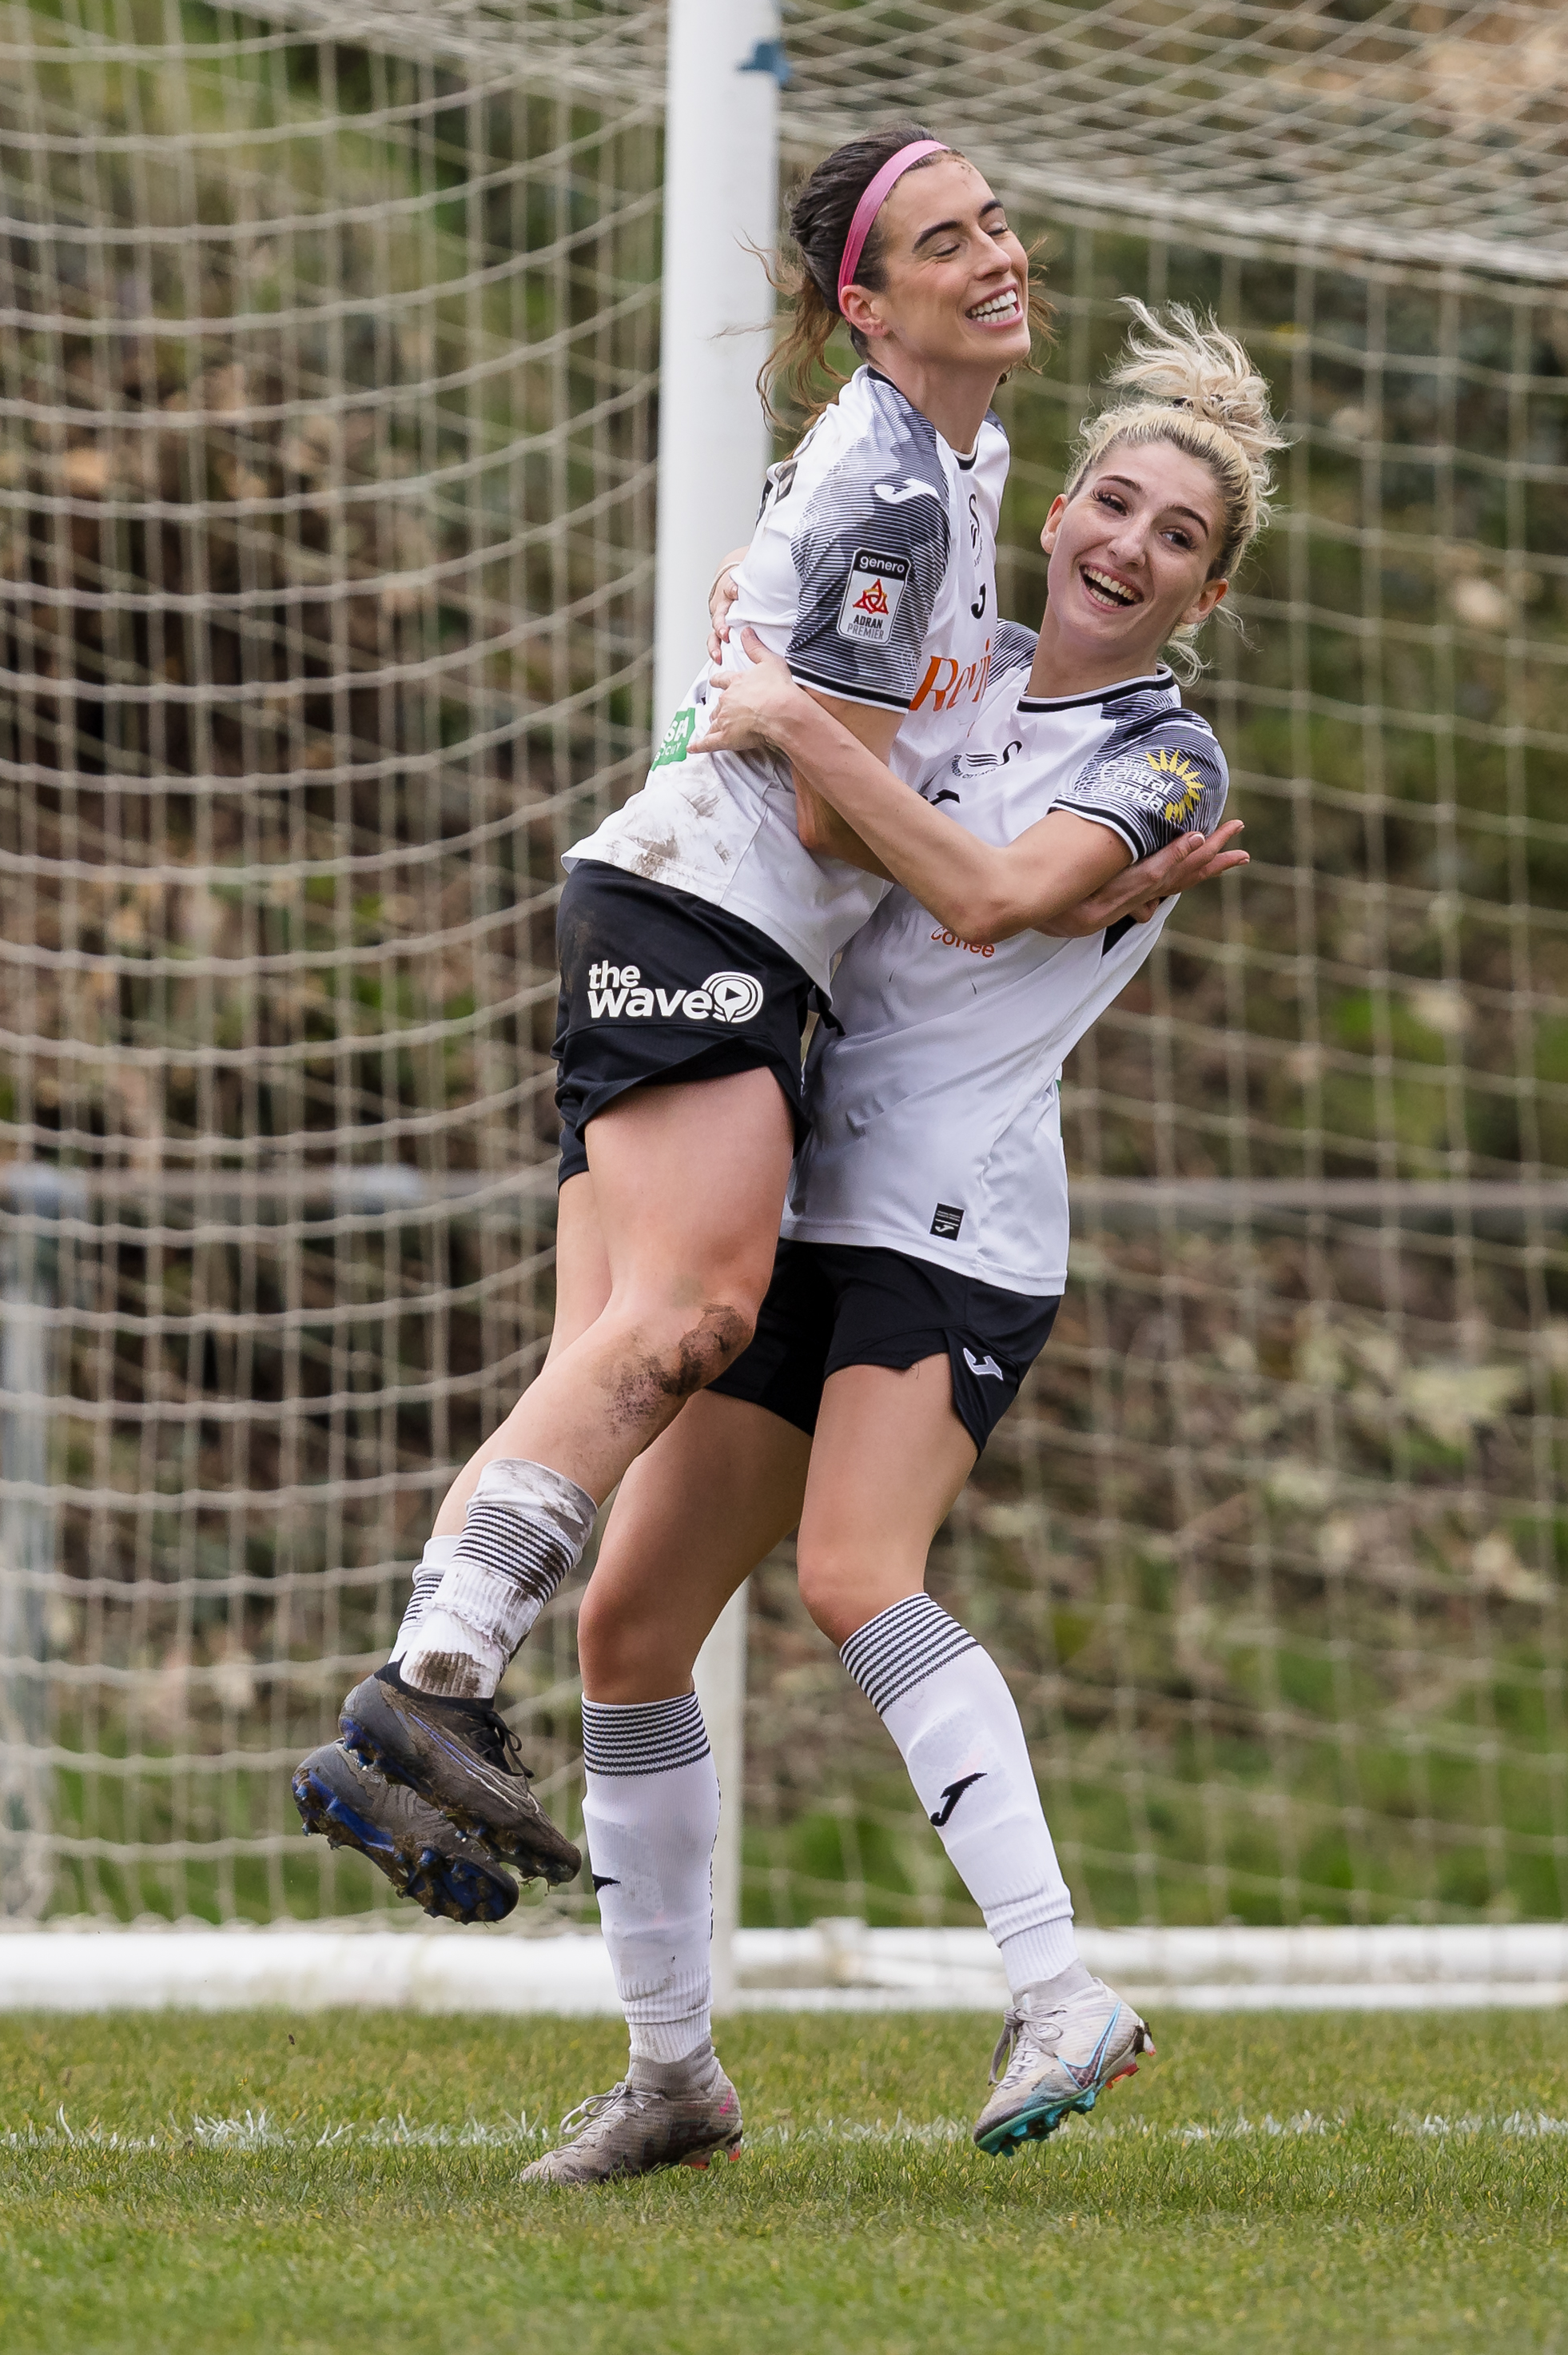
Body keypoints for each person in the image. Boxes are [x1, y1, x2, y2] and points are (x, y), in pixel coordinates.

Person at [290, 127, 1202, 1916]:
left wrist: (1040, 851)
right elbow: (810, 799)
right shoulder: (897, 485)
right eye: (948, 242)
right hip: (703, 906)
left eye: (999, 221)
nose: (998, 255)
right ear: (865, 303)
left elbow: (868, 699)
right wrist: (970, 840)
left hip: (694, 920)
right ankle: (428, 1687)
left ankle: (435, 1776)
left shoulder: (959, 452)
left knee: (605, 1369)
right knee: (692, 1315)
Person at [511, 305, 1282, 2185]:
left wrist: (782, 711)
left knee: (859, 1575)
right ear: (1058, 512)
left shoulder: (1164, 762)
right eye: (1112, 500)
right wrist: (766, 666)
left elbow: (996, 894)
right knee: (626, 1627)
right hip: (794, 1186)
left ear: (1206, 594)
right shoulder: (953, 669)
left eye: (1178, 539)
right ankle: (672, 2077)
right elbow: (777, 678)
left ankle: (1055, 1985)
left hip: (951, 1228)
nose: (1129, 545)